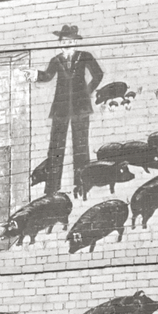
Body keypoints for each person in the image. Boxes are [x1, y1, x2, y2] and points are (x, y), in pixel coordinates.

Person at [32, 24, 103, 192]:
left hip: (81, 108)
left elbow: (98, 74)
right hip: (60, 108)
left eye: (71, 40)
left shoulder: (85, 56)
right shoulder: (56, 60)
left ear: (76, 42)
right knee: (56, 147)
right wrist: (35, 75)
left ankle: (82, 184)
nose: (67, 43)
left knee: (80, 146)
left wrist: (87, 91)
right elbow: (48, 76)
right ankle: (52, 187)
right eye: (64, 40)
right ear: (60, 42)